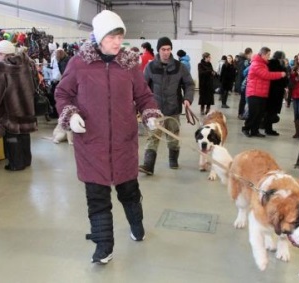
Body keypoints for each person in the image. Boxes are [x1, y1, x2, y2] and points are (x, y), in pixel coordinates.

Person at [55, 10, 163, 264]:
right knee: (97, 197)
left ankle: (137, 225)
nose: (118, 42)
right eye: (112, 36)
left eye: (120, 36)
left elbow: (144, 95)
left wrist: (149, 113)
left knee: (129, 191)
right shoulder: (79, 63)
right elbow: (62, 94)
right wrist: (70, 115)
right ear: (100, 37)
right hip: (91, 144)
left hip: (123, 142)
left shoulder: (129, 64)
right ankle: (104, 246)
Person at [140, 36, 195, 174]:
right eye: (163, 49)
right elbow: (142, 86)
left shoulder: (179, 66)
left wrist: (188, 98)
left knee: (173, 137)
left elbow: (189, 84)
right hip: (155, 110)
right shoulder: (150, 67)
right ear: (158, 50)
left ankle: (173, 160)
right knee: (153, 136)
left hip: (173, 108)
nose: (166, 52)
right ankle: (148, 165)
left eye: (168, 49)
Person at [0, 40, 38, 171]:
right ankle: (26, 160)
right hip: (26, 107)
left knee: (12, 137)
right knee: (24, 134)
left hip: (10, 109)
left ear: (2, 53)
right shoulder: (25, 63)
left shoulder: (1, 67)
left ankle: (16, 164)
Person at [241, 47, 286, 138]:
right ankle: (246, 128)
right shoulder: (257, 64)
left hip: (261, 93)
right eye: (268, 55)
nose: (269, 57)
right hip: (254, 92)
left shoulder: (264, 64)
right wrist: (280, 74)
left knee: (259, 113)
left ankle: (255, 131)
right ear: (263, 54)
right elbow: (266, 75)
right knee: (254, 113)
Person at [264, 50, 289, 135]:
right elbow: (284, 80)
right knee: (272, 112)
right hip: (276, 92)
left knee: (268, 111)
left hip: (268, 90)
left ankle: (266, 127)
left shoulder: (268, 64)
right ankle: (269, 129)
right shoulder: (280, 66)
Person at [237, 48, 253, 119]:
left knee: (243, 99)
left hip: (242, 82)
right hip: (243, 83)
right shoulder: (244, 62)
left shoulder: (242, 61)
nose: (251, 56)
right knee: (243, 99)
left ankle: (242, 113)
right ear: (248, 53)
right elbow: (243, 73)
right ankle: (240, 113)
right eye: (251, 54)